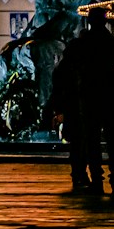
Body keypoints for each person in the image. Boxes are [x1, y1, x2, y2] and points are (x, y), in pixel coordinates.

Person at [61, 6, 114, 195]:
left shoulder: (82, 44)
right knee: (113, 142)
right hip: (109, 96)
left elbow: (69, 62)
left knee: (92, 141)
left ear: (90, 22)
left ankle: (97, 181)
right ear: (105, 21)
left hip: (89, 96)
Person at [44, 44, 88, 192]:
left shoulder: (62, 68)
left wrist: (58, 111)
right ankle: (80, 173)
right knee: (81, 144)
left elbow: (56, 92)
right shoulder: (77, 69)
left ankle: (78, 173)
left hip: (71, 110)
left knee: (77, 145)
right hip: (76, 110)